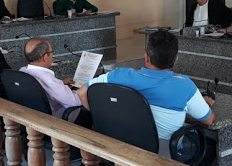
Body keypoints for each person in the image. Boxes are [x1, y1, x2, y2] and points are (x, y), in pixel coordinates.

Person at [77, 30, 214, 154]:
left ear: (147, 57)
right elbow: (208, 120)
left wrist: (103, 118)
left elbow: (82, 93)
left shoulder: (117, 75)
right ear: (175, 59)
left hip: (120, 144)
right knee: (208, 147)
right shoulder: (185, 86)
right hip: (162, 153)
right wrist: (204, 103)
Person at [20, 38, 90, 126]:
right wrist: (85, 87)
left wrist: (60, 83)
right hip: (55, 121)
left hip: (32, 116)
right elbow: (74, 102)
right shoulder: (48, 80)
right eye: (51, 52)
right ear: (45, 57)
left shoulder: (22, 71)